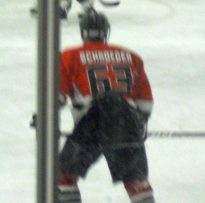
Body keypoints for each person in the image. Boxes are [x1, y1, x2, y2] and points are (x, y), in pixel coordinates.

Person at [58, 10, 155, 203]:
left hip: (92, 119)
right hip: (124, 118)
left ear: (83, 32)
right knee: (136, 180)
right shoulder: (131, 56)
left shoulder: (70, 56)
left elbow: (58, 97)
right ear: (105, 32)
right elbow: (145, 102)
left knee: (63, 173)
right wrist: (139, 124)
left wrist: (43, 117)